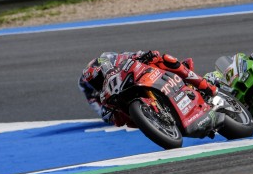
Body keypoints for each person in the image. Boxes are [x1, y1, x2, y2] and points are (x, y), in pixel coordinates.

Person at [79, 50, 216, 127]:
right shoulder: (103, 94)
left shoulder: (117, 60)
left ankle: (207, 87)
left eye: (97, 79)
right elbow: (114, 120)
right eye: (94, 83)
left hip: (145, 75)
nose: (97, 84)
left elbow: (135, 54)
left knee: (166, 59)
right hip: (129, 93)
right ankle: (160, 119)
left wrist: (145, 55)